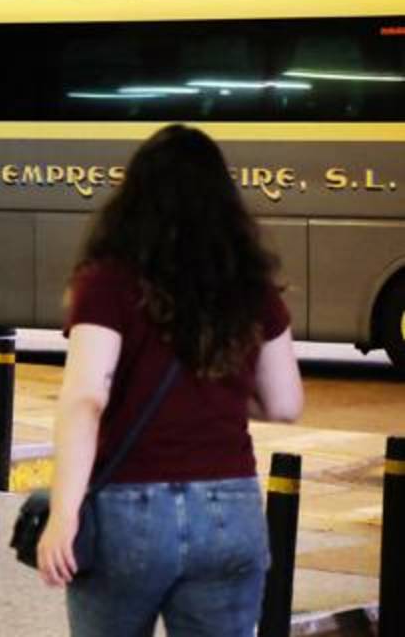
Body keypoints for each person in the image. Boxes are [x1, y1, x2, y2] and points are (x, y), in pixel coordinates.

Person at [35, 125, 304, 637]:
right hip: (231, 508)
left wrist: (64, 514)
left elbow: (86, 398)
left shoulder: (106, 283)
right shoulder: (250, 288)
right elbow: (286, 403)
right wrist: (212, 396)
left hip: (128, 512)